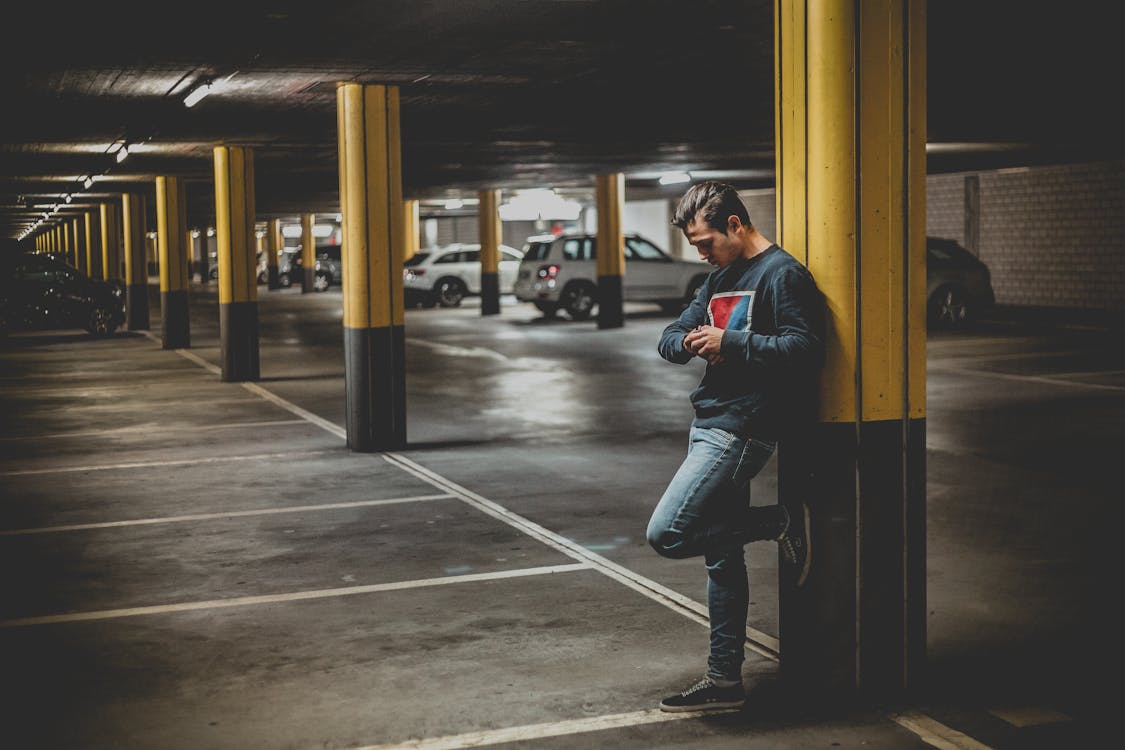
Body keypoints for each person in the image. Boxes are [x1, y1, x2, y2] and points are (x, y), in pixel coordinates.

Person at [647, 180, 825, 713]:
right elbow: (669, 337)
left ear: (735, 225)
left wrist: (732, 342)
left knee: (669, 533)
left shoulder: (782, 274)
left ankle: (778, 523)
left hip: (742, 428)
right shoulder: (717, 277)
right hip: (709, 421)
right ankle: (724, 680)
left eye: (705, 243)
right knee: (721, 560)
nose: (701, 255)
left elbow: (806, 347)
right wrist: (689, 341)